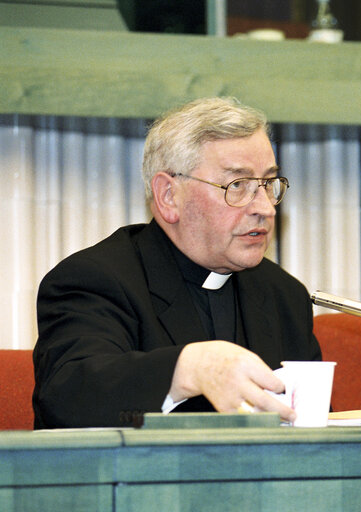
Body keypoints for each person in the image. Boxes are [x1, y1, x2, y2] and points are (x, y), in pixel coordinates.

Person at [33, 97, 321, 428]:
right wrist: (188, 368)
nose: (266, 208)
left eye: (268, 184)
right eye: (238, 185)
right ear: (169, 196)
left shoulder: (283, 295)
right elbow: (68, 397)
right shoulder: (96, 279)